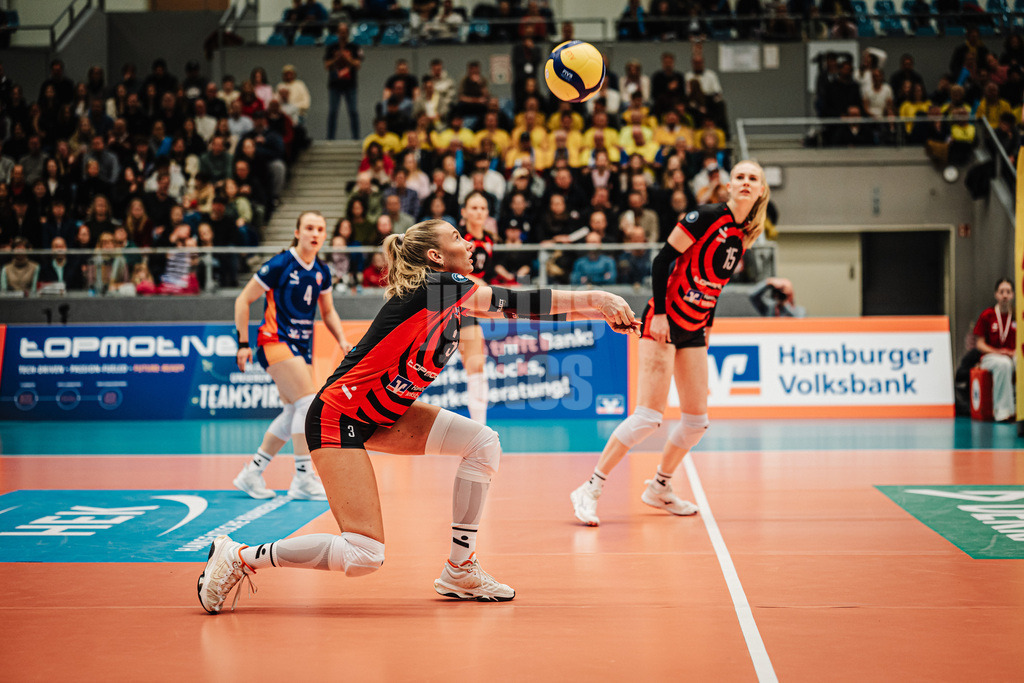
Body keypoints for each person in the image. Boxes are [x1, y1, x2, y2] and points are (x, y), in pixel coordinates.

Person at [197, 218, 639, 613]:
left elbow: (514, 307)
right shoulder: (438, 287)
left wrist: (596, 309)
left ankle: (460, 569)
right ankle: (237, 556)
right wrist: (596, 298)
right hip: (337, 417)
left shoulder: (451, 299)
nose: (467, 243)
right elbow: (517, 302)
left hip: (383, 413)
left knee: (482, 443)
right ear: (435, 256)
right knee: (364, 554)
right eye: (456, 237)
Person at [570, 160, 770, 526]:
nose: (744, 182)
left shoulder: (742, 236)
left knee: (696, 422)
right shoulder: (706, 216)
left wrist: (708, 323)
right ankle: (590, 488)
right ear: (729, 186)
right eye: (739, 176)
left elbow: (713, 284)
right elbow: (663, 260)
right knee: (648, 417)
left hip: (694, 328)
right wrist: (659, 312)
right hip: (664, 318)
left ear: (761, 191)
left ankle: (659, 487)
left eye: (752, 179)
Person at [232, 211, 353, 500]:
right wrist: (242, 342)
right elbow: (242, 300)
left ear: (324, 235)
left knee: (292, 411)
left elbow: (327, 311)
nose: (315, 233)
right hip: (274, 340)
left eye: (320, 229)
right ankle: (302, 479)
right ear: (298, 232)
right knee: (308, 404)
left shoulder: (322, 271)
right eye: (309, 228)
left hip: (302, 347)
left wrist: (343, 340)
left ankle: (252, 473)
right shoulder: (280, 264)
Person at [459, 191, 496, 424]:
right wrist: (481, 285)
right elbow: (453, 274)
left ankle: (479, 427)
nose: (479, 212)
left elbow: (486, 274)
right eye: (473, 208)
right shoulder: (460, 240)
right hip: (452, 303)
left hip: (471, 309)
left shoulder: (490, 241)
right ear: (464, 212)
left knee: (477, 364)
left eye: (482, 208)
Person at [972, 278, 1016, 422]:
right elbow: (979, 344)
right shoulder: (987, 315)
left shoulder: (1018, 315)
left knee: (1018, 362)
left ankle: (1019, 409)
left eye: (1008, 292)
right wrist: (998, 352)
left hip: (1013, 355)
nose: (1005, 295)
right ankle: (1003, 411)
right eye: (1001, 292)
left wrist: (1014, 353)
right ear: (996, 295)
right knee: (1003, 364)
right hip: (990, 357)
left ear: (1013, 295)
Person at [324, 23, 364, 140]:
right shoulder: (331, 48)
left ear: (348, 32)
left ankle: (356, 138)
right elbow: (327, 65)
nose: (343, 34)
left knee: (353, 112)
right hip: (334, 85)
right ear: (337, 33)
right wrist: (337, 58)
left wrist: (346, 58)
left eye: (345, 31)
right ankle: (330, 139)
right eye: (340, 31)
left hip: (350, 85)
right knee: (332, 112)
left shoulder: (354, 47)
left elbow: (357, 65)